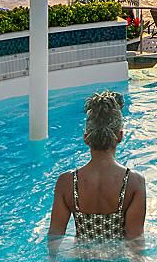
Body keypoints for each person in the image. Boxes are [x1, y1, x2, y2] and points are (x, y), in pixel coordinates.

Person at [48, 90, 146, 243]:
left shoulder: (66, 182)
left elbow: (54, 238)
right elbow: (136, 241)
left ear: (86, 138)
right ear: (120, 136)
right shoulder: (133, 182)